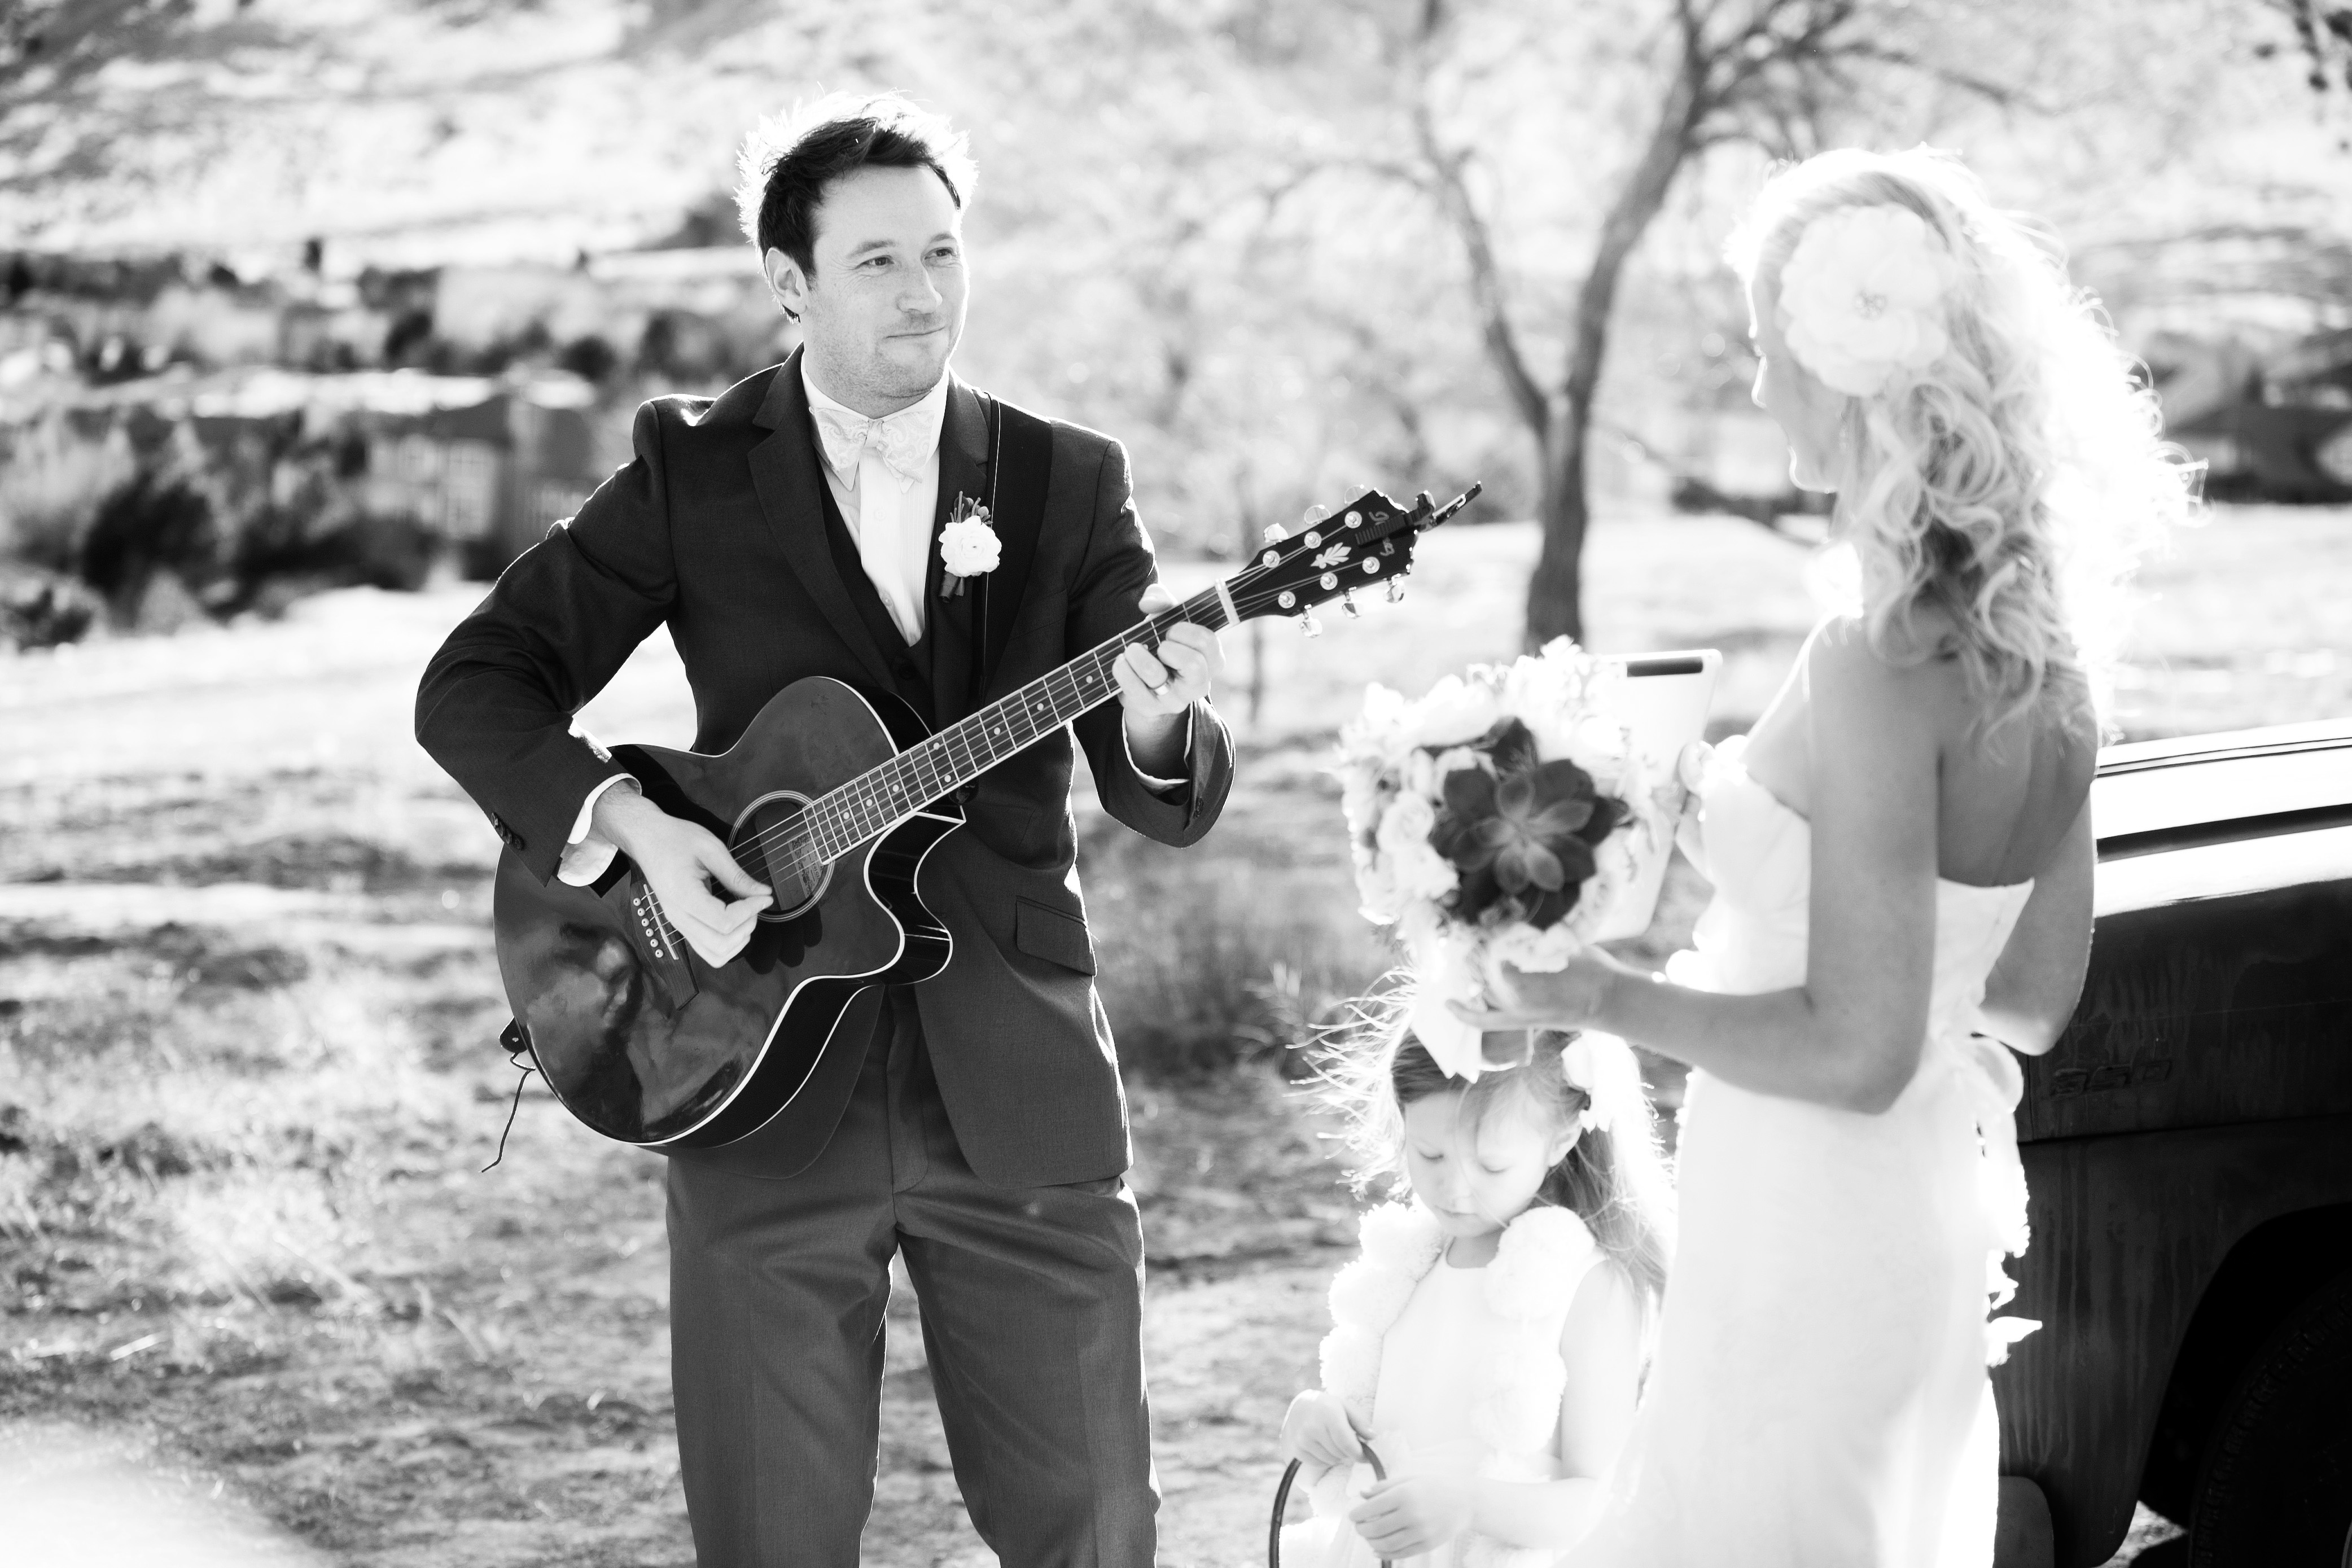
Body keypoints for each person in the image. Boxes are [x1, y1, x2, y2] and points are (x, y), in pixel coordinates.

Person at [415, 94, 1236, 1567]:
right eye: (877, 262)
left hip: (1018, 1079)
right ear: (788, 284)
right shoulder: (692, 473)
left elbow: (1146, 780)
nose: (924, 293)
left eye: (942, 252)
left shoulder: (1065, 478)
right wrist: (633, 827)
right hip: (746, 1066)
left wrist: (1164, 718)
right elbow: (475, 684)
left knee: (1096, 1533)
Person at [1455, 147, 2196, 1566]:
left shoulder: (1874, 661)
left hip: (1812, 1222)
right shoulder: (2047, 664)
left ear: (1844, 368)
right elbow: (2027, 998)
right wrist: (1730, 837)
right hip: (1906, 1217)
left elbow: (1856, 1049)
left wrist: (1599, 996)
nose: (1753, 387)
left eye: (1760, 349)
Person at [1276, 1021, 1671, 1567]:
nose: (1454, 1189)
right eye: (1430, 1155)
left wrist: (1467, 1504)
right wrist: (1314, 1418)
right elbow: (1383, 1416)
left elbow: (1600, 1500)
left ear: (1561, 1140)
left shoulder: (1587, 1285)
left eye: (1491, 1165)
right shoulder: (1408, 1265)